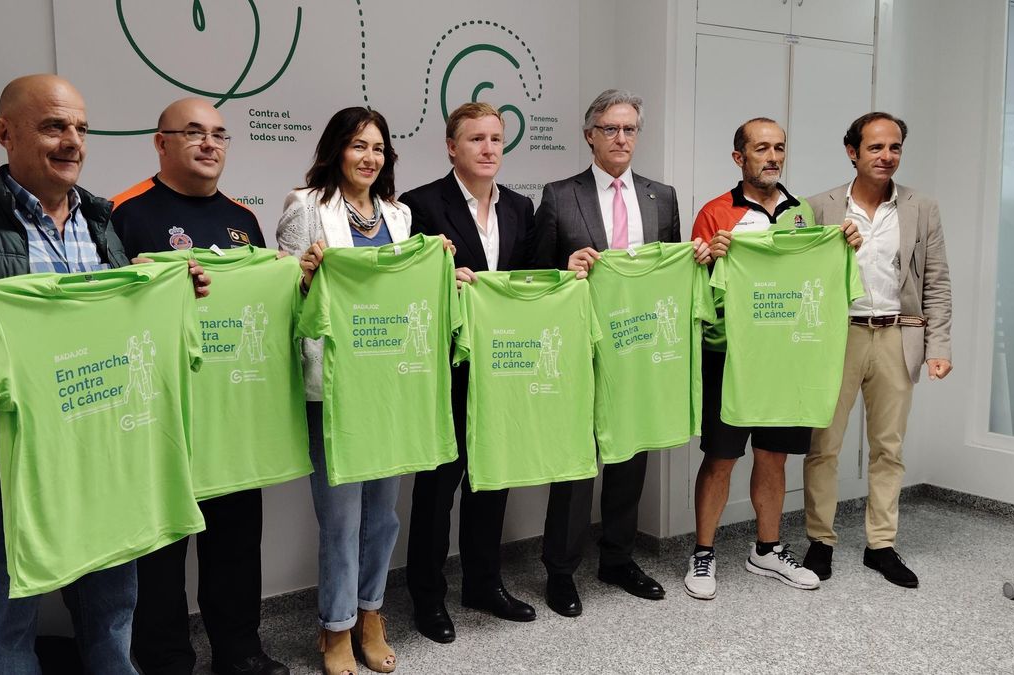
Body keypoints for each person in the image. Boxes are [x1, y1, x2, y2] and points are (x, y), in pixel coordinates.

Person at [0, 74, 208, 675]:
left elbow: (120, 326)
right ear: (4, 133)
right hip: (4, 468)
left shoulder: (102, 222)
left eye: (80, 127)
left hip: (105, 454)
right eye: (54, 126)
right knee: (4, 634)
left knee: (110, 618)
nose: (72, 140)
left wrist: (170, 289)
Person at [110, 97, 287, 675]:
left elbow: (270, 304)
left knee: (236, 542)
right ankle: (166, 661)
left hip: (235, 408)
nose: (209, 144)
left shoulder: (245, 220)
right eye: (193, 133)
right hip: (162, 410)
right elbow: (105, 313)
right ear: (161, 142)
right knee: (161, 549)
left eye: (219, 134)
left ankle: (240, 650)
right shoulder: (121, 213)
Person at [277, 106, 451, 675]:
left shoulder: (401, 218)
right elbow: (277, 298)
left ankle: (371, 615)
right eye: (358, 146)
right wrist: (301, 276)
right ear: (336, 150)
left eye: (378, 147)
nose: (369, 157)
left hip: (389, 384)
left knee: (385, 516)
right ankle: (335, 629)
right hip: (332, 390)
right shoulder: (305, 206)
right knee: (342, 519)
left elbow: (405, 295)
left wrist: (441, 265)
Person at [532, 89, 711, 617]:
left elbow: (673, 273)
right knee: (576, 460)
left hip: (642, 345)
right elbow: (540, 273)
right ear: (590, 135)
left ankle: (617, 557)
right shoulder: (560, 195)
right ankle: (560, 571)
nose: (621, 139)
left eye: (630, 129)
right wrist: (567, 264)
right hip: (584, 344)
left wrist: (696, 258)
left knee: (632, 454)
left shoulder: (663, 196)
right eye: (610, 129)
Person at [686, 117, 862, 600]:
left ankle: (767, 548)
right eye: (761, 148)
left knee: (774, 455)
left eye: (779, 148)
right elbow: (694, 287)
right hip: (731, 356)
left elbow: (815, 279)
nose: (773, 157)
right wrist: (706, 258)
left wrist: (843, 248)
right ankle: (703, 553)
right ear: (739, 157)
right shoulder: (715, 212)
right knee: (720, 457)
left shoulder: (802, 211)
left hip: (788, 356)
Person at [398, 102, 539, 644]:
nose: (488, 149)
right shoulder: (419, 205)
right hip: (446, 366)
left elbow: (527, 284)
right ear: (451, 146)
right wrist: (439, 278)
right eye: (476, 139)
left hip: (502, 363)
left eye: (496, 139)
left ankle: (484, 583)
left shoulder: (522, 208)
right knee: (437, 487)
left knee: (493, 477)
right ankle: (427, 598)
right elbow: (407, 288)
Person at [803, 112, 952, 588]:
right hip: (836, 339)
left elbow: (936, 281)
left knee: (888, 449)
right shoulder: (820, 206)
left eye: (895, 148)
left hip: (895, 336)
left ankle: (881, 546)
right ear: (853, 152)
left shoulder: (920, 207)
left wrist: (938, 345)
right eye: (875, 148)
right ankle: (820, 542)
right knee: (823, 447)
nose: (887, 157)